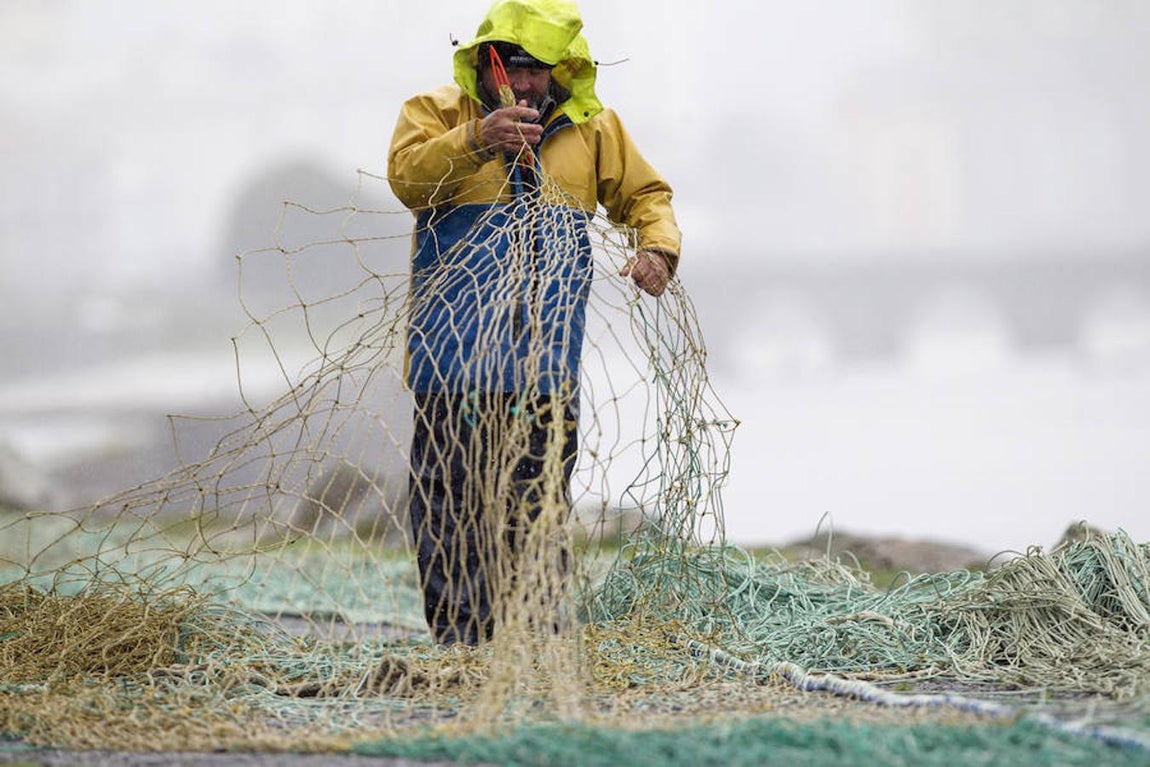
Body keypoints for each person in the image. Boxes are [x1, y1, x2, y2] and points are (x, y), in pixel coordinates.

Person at [388, 0, 680, 646]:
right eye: (510, 66)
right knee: (449, 512)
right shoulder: (434, 112)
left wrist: (658, 248)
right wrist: (476, 139)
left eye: (536, 69)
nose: (521, 83)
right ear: (485, 63)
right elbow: (406, 179)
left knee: (538, 512)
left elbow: (646, 195)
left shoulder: (595, 129)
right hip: (452, 367)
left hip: (545, 370)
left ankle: (535, 645)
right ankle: (462, 648)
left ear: (559, 71)